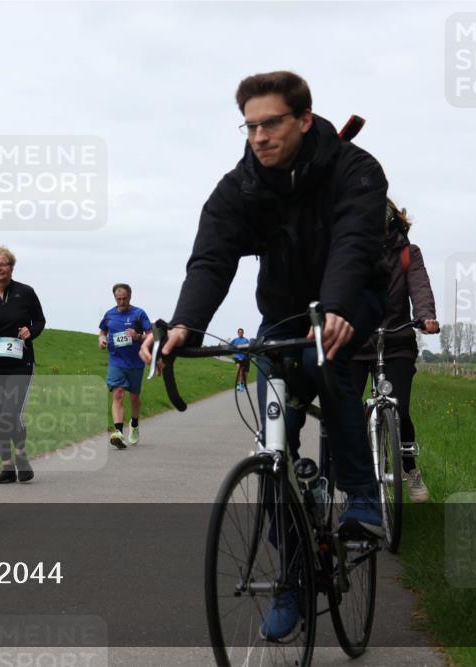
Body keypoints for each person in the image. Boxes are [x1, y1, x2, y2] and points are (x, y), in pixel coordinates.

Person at [140, 71, 389, 640]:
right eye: (250, 126)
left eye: (271, 123)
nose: (259, 136)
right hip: (281, 309)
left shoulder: (355, 169)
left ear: (303, 119)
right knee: (274, 436)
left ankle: (363, 499)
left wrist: (337, 307)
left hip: (350, 298)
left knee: (322, 360)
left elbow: (354, 242)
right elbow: (211, 259)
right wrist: (184, 325)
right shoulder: (242, 186)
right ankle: (292, 577)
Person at [352, 200, 439, 502]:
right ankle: (356, 481)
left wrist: (426, 316)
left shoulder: (408, 254)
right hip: (356, 343)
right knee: (347, 411)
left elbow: (420, 288)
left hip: (397, 342)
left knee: (399, 409)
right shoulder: (351, 251)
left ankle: (411, 470)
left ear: (391, 219)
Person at [0, 247, 46, 483]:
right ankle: (6, 466)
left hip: (19, 359)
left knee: (11, 412)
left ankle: (21, 455)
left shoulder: (25, 292)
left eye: (3, 264)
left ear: (11, 267)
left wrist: (30, 331)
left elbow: (40, 320)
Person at [99, 284, 152, 449]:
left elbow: (150, 335)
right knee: (118, 394)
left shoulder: (139, 314)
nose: (121, 302)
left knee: (134, 397)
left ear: (130, 297)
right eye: (118, 299)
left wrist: (137, 336)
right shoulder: (109, 315)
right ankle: (118, 433)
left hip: (136, 362)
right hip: (116, 361)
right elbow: (102, 332)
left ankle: (134, 424)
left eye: (124, 298)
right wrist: (101, 339)